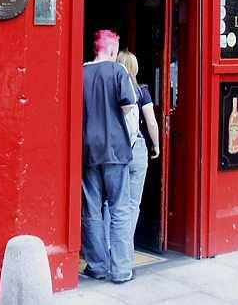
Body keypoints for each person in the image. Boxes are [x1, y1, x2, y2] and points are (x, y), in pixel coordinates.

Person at [82, 29, 136, 284]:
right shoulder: (118, 72)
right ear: (113, 50)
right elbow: (129, 107)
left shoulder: (80, 72)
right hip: (116, 149)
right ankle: (121, 269)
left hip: (89, 150)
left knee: (92, 210)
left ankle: (97, 266)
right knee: (119, 209)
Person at [115, 50, 160, 252]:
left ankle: (109, 246)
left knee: (113, 202)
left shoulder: (113, 91)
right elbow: (151, 121)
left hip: (116, 149)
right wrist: (156, 145)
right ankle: (125, 248)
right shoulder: (142, 91)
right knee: (133, 203)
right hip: (138, 148)